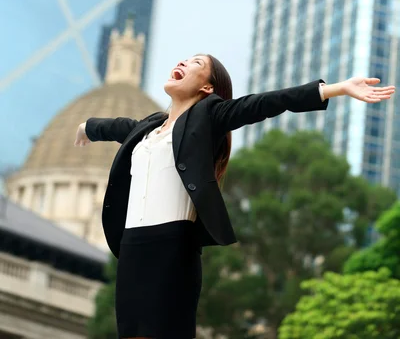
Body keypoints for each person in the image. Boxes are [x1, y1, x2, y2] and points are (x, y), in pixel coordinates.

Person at [74, 54, 395, 339]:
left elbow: (268, 102)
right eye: (183, 59)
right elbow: (115, 127)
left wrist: (336, 88)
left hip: (171, 244)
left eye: (196, 63)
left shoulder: (209, 116)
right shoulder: (147, 128)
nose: (183, 63)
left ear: (207, 88)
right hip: (131, 248)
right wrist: (87, 127)